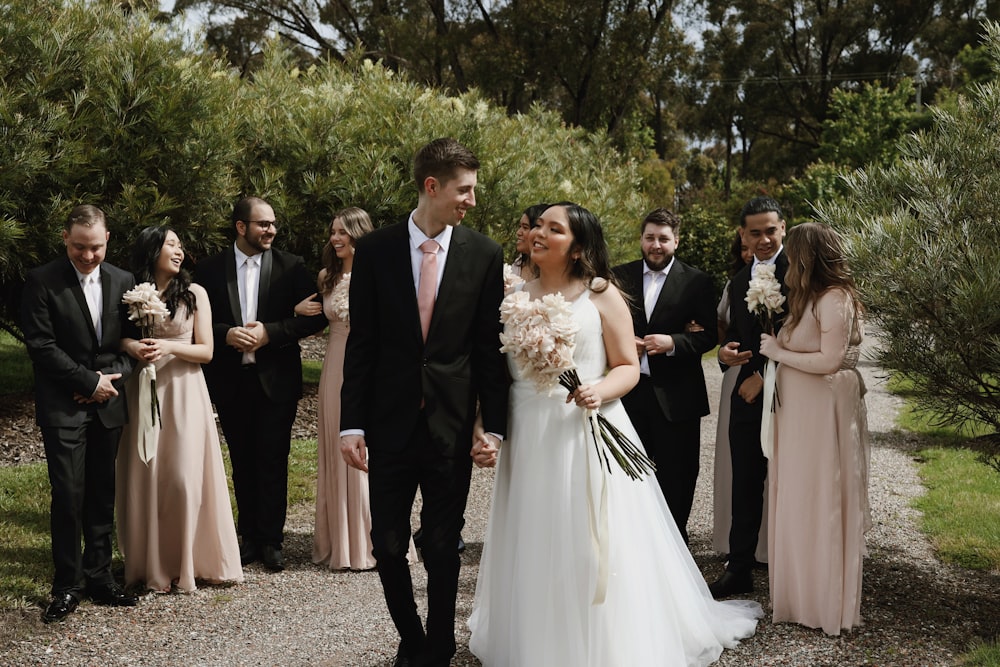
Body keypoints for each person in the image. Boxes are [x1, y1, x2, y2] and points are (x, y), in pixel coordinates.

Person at [468, 202, 761, 666]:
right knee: (533, 532)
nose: (538, 233)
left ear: (579, 246)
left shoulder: (603, 294)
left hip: (584, 429)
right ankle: (536, 638)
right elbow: (497, 376)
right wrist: (486, 427)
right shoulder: (513, 296)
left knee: (588, 538)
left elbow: (627, 366)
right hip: (528, 433)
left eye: (553, 228)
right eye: (538, 226)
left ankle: (601, 640)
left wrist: (597, 389)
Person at [339, 138, 509, 667]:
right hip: (388, 425)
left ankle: (436, 648)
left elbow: (487, 350)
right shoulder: (375, 251)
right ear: (432, 187)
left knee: (441, 545)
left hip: (451, 425)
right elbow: (361, 344)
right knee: (387, 545)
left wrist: (494, 427)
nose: (472, 201)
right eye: (465, 190)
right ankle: (410, 637)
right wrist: (351, 425)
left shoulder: (484, 254)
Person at [20, 204, 139, 622]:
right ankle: (67, 585)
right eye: (78, 248)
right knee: (68, 496)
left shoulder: (124, 280)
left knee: (103, 492)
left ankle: (101, 578)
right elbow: (40, 346)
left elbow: (129, 343)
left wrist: (111, 381)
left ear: (107, 239)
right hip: (63, 407)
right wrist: (88, 382)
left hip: (109, 403)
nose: (88, 257)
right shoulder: (41, 281)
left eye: (95, 248)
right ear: (65, 241)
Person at [194, 197, 327, 573]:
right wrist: (226, 335)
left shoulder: (291, 267)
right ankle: (248, 536)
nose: (270, 230)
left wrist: (270, 333)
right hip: (230, 380)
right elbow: (196, 323)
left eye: (272, 224)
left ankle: (272, 540)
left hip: (276, 381)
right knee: (241, 460)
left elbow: (314, 319)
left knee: (272, 459)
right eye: (262, 224)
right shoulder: (208, 270)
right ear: (241, 227)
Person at [116, 226, 244, 592]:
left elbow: (206, 351)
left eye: (179, 244)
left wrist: (171, 348)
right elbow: (118, 336)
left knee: (183, 479)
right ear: (152, 250)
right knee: (149, 476)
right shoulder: (131, 292)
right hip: (144, 391)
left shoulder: (194, 293)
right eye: (171, 244)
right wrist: (131, 347)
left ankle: (191, 562)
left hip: (185, 391)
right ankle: (152, 565)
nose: (179, 250)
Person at [759, 222, 871, 635]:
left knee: (821, 497)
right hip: (798, 416)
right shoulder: (806, 299)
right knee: (798, 496)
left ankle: (823, 604)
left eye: (792, 251)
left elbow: (828, 360)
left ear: (807, 255)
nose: (786, 258)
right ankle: (796, 599)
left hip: (822, 415)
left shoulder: (836, 299)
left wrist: (779, 353)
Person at [302, 208, 418, 571]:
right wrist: (295, 309)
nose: (336, 238)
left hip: (372, 367)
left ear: (358, 234)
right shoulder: (327, 277)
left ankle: (380, 539)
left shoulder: (382, 271)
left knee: (374, 448)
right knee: (338, 448)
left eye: (343, 232)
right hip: (334, 366)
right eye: (332, 232)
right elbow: (320, 314)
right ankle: (341, 541)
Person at [613, 208, 718, 544]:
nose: (655, 245)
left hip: (678, 397)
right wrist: (622, 341)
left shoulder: (698, 282)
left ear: (676, 240)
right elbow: (602, 326)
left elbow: (709, 335)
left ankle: (674, 546)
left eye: (663, 238)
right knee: (627, 474)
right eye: (649, 238)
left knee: (678, 477)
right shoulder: (618, 277)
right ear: (641, 239)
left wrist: (673, 341)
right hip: (628, 395)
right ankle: (630, 544)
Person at [709, 196, 789, 599]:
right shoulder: (740, 281)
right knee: (746, 481)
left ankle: (792, 569)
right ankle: (739, 568)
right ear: (743, 234)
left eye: (770, 230)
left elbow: (805, 336)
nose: (763, 239)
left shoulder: (803, 273)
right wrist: (725, 357)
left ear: (783, 228)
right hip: (748, 398)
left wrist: (767, 375)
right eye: (754, 232)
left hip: (793, 396)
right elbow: (735, 338)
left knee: (791, 481)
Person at [711, 233, 768, 562]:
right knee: (735, 463)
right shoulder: (733, 286)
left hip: (772, 380)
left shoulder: (788, 285)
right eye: (743, 249)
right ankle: (735, 544)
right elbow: (719, 324)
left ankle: (767, 546)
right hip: (736, 376)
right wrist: (721, 351)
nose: (749, 254)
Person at [509, 202, 549, 278]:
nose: (518, 232)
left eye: (525, 227)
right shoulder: (517, 264)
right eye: (519, 226)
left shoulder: (551, 274)